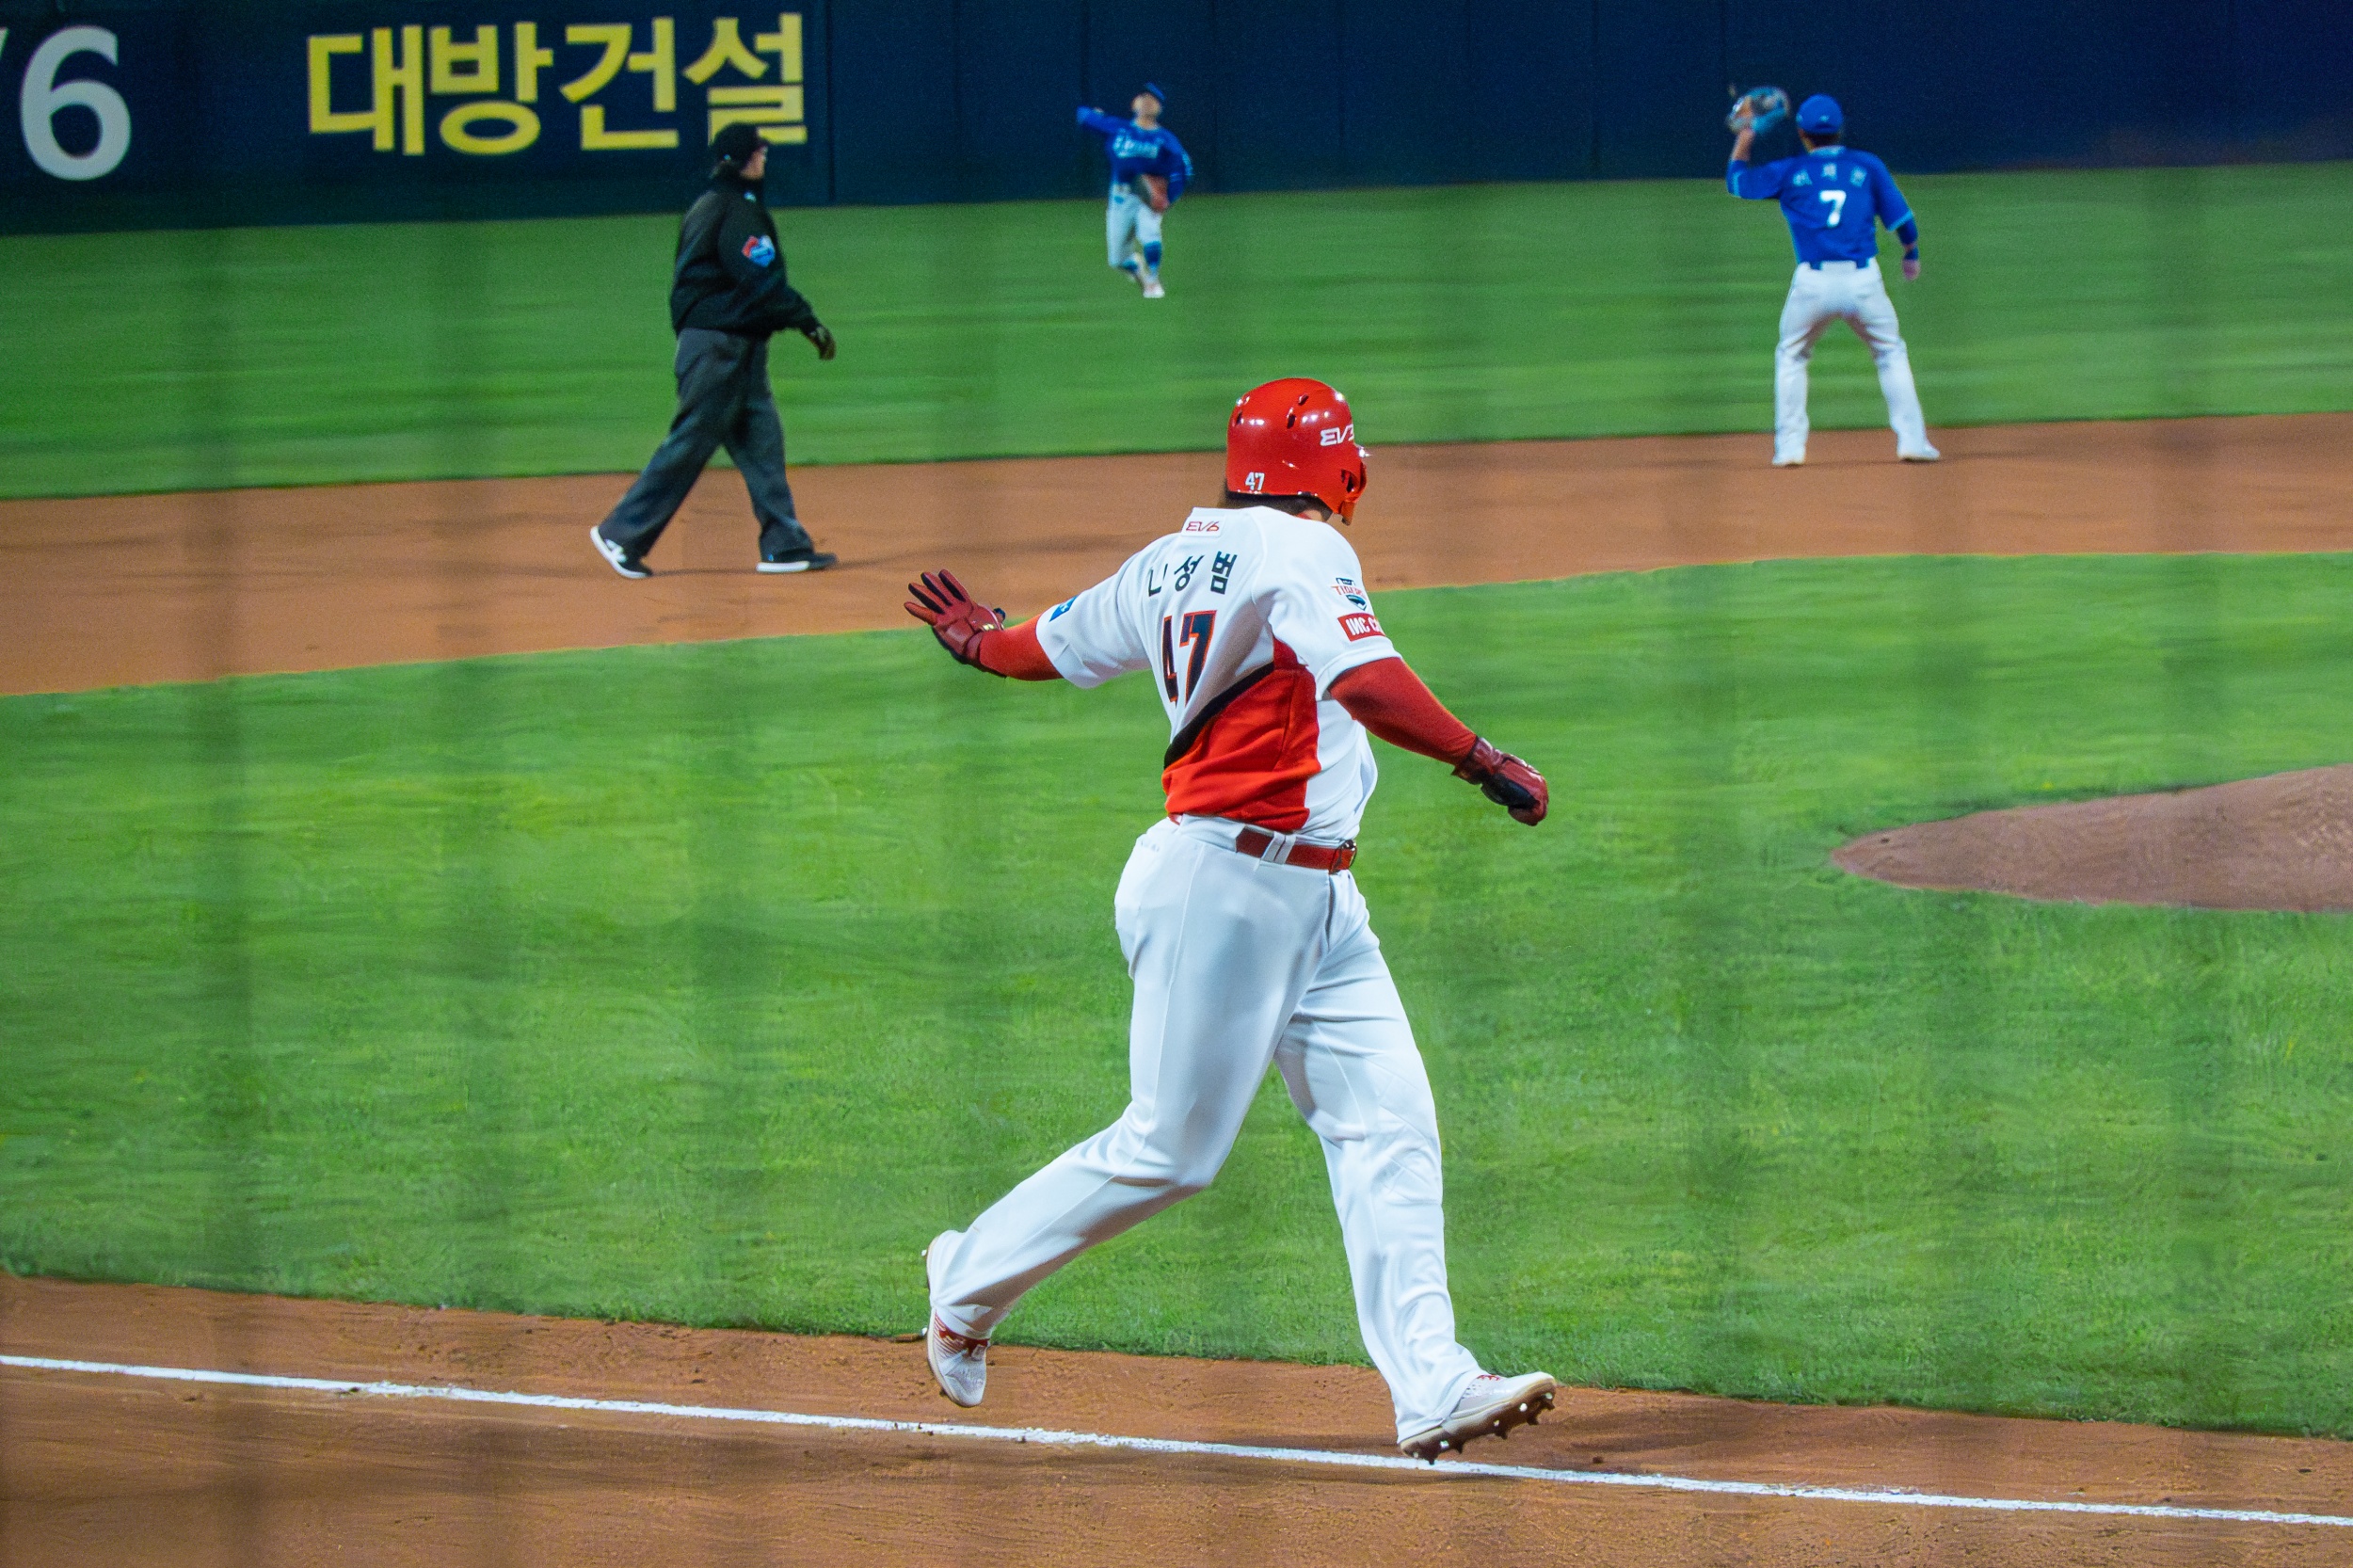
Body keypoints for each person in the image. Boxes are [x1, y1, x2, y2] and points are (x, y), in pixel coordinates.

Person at [904, 376, 1558, 1463]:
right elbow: (1368, 681)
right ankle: (963, 1280)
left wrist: (982, 643)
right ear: (1337, 468)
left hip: (1316, 901)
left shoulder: (1172, 557)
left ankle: (1432, 1383)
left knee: (1387, 1123)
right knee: (1172, 1148)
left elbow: (1052, 643)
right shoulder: (1303, 549)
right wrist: (1481, 759)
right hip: (1227, 890)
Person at [591, 122, 839, 580]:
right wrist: (806, 319)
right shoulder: (734, 209)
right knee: (692, 440)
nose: (764, 158)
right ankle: (621, 534)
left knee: (763, 444)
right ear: (743, 159)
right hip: (718, 347)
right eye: (759, 152)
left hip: (733, 347)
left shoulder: (713, 204)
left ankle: (785, 546)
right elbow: (761, 281)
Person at [1728, 93, 1939, 467]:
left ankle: (1790, 449)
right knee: (1890, 353)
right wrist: (1911, 252)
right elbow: (1902, 220)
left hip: (1812, 285)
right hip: (1863, 282)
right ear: (1840, 130)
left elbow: (1738, 182)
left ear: (1801, 133)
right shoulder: (1867, 166)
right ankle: (1913, 442)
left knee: (1792, 356)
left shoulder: (1790, 171)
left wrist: (1746, 135)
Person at [1077, 85, 1193, 299]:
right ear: (1134, 104)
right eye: (1143, 97)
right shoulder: (1117, 128)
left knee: (1150, 233)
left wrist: (1168, 198)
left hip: (1147, 197)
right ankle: (1138, 269)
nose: (1147, 101)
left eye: (1153, 100)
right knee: (1117, 260)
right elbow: (1082, 115)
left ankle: (1153, 280)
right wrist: (1095, 115)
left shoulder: (1165, 140)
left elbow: (1184, 170)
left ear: (1160, 109)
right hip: (1120, 197)